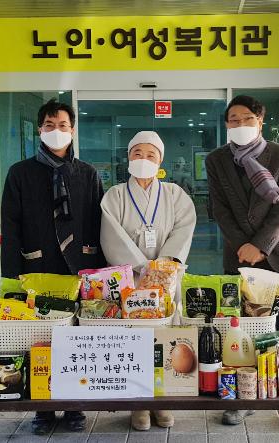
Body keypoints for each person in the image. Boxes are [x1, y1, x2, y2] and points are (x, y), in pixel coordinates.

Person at [1, 99, 106, 434]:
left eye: (62, 125)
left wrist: (100, 270)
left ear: (72, 130)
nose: (56, 131)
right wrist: (12, 272)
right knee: (37, 339)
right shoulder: (20, 172)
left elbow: (99, 222)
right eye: (49, 125)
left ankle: (75, 405)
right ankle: (42, 407)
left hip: (80, 268)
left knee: (77, 339)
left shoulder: (87, 173)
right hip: (37, 267)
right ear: (39, 129)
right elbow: (10, 224)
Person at [205, 95, 279, 431]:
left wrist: (260, 246)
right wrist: (244, 245)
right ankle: (244, 397)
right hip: (238, 255)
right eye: (233, 119)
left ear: (260, 121)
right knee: (242, 329)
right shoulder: (217, 159)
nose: (240, 124)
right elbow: (220, 209)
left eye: (247, 118)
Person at [100, 131, 197, 431]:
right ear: (128, 157)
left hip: (165, 281)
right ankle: (137, 404)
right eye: (137, 153)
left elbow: (184, 228)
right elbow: (111, 235)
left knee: (165, 339)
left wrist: (162, 267)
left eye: (151, 155)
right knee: (132, 342)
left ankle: (162, 400)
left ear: (160, 160)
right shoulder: (115, 195)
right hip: (129, 281)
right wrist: (143, 268)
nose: (143, 159)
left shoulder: (175, 195)